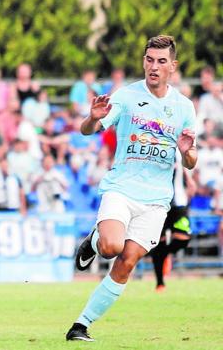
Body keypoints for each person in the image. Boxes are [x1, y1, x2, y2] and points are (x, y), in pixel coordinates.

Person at [66, 35, 198, 342]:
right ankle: (95, 239)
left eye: (161, 61)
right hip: (122, 189)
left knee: (127, 262)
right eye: (149, 60)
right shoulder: (125, 96)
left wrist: (187, 151)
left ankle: (81, 325)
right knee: (111, 248)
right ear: (144, 61)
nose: (154, 67)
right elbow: (89, 131)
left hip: (156, 202)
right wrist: (91, 118)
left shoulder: (184, 107)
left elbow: (191, 162)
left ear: (172, 66)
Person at [149, 150, 195, 292]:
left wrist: (189, 180)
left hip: (179, 204)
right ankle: (160, 283)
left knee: (184, 238)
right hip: (159, 203)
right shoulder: (155, 148)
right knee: (158, 242)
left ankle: (166, 253)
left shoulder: (179, 149)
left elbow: (185, 167)